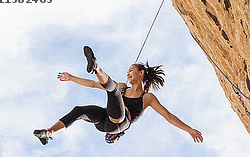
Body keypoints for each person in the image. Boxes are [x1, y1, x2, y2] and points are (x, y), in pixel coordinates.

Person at [34, 46, 204, 145]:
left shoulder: (147, 98)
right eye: (128, 70)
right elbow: (94, 84)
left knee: (113, 89)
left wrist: (189, 130)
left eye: (131, 70)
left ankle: (96, 67)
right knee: (79, 110)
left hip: (119, 124)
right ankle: (49, 133)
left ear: (141, 73)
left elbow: (168, 116)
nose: (128, 73)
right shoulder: (122, 87)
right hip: (104, 121)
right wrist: (71, 78)